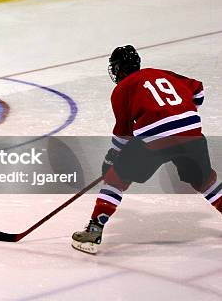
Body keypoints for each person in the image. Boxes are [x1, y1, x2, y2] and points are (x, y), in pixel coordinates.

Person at [72, 45, 221, 254]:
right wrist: (180, 112)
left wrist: (112, 159)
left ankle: (94, 231)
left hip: (155, 137)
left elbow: (124, 133)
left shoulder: (122, 89)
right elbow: (199, 91)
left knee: (116, 179)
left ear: (120, 69)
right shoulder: (162, 74)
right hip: (191, 132)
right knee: (205, 180)